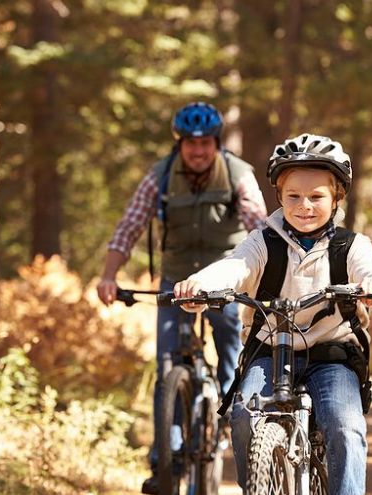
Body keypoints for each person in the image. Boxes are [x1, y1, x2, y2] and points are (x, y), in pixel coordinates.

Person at [175, 133, 372, 495]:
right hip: (269, 352)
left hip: (332, 355)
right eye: (293, 196)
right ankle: (258, 486)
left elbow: (370, 271)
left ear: (337, 197)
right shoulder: (263, 241)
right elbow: (233, 267)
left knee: (345, 425)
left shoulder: (350, 246)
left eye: (317, 196)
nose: (304, 205)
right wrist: (198, 284)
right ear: (279, 196)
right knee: (244, 413)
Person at [95, 102, 267, 494]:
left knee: (230, 343)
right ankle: (165, 463)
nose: (198, 151)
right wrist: (108, 275)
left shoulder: (238, 174)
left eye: (205, 143)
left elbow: (260, 226)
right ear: (180, 144)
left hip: (224, 276)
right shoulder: (159, 176)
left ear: (216, 143)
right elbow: (129, 227)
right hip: (175, 278)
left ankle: (227, 416)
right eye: (190, 144)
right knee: (167, 363)